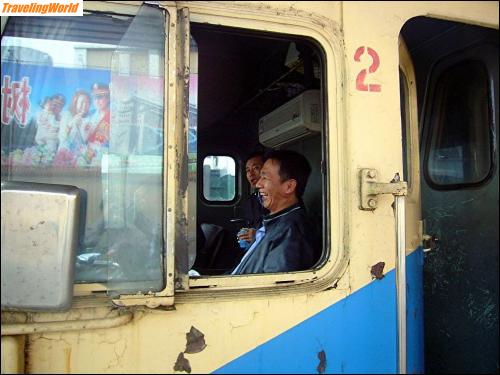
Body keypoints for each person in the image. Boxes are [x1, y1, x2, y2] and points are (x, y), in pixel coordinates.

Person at [231, 150, 317, 275]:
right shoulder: (275, 223)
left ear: (289, 186)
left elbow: (272, 288)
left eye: (265, 177)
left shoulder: (290, 231)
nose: (258, 184)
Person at [236, 151, 269, 249]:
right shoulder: (251, 201)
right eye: (247, 170)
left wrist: (258, 236)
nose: (250, 174)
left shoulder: (277, 200)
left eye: (256, 168)